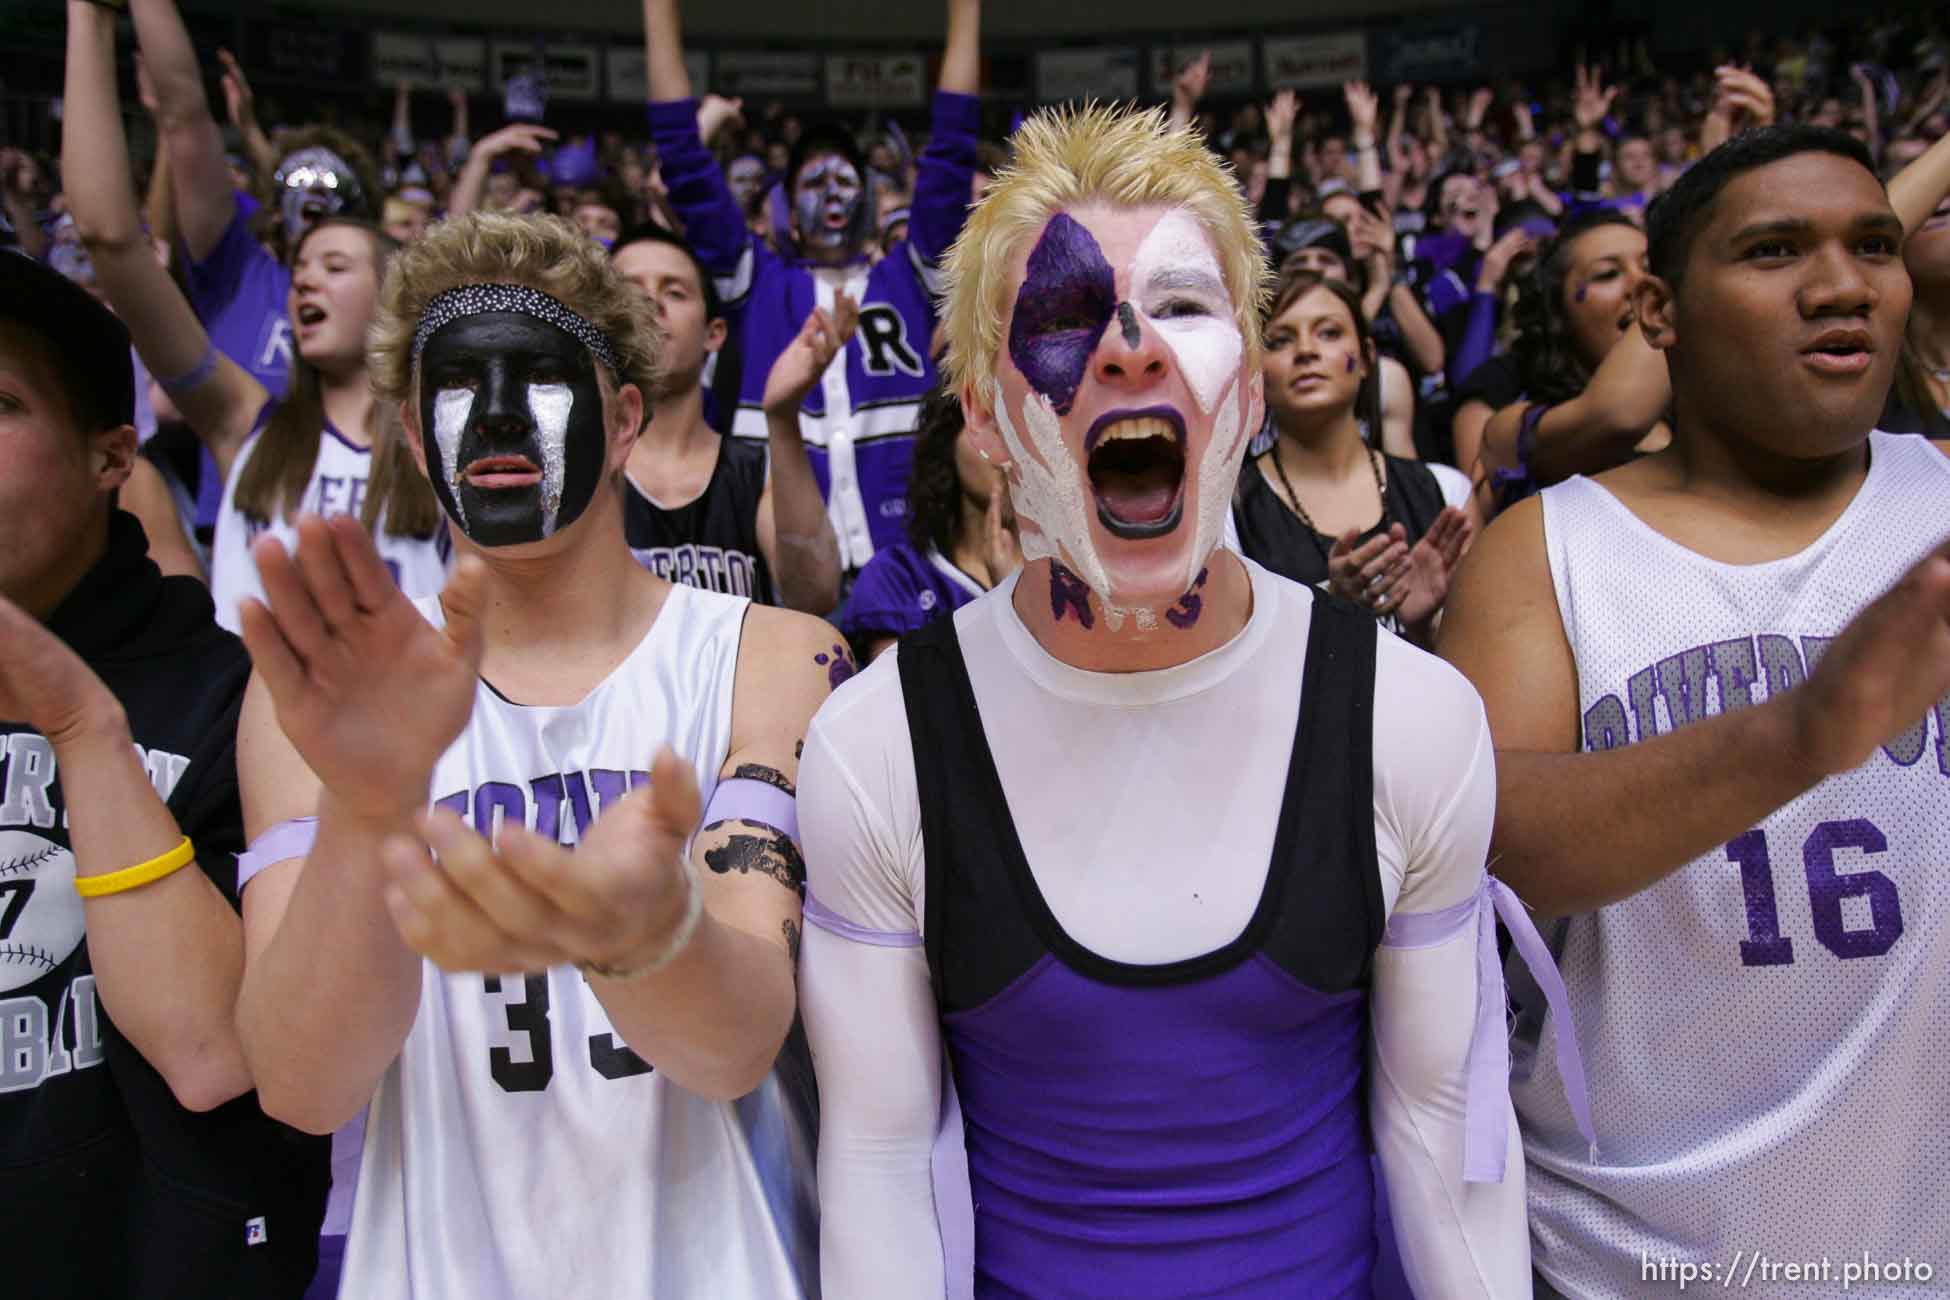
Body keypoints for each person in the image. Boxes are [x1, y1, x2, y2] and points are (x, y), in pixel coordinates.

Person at [801, 103, 1575, 1299]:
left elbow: (1443, 1141)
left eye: (1181, 305)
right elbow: (878, 1162)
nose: (1126, 347)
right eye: (1060, 317)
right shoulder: (875, 745)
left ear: (1251, 395)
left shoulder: (1409, 719)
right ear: (989, 417)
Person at [232, 211, 840, 1297]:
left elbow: (735, 1047)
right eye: (463, 389)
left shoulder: (774, 655)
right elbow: (302, 1086)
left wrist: (643, 936)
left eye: (542, 382)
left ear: (625, 419)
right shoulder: (320, 696)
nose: (502, 416)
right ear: (415, 436)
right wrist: (371, 808)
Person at [1436, 125, 1950, 1299]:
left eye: (1875, 243)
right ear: (1658, 313)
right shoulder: (1549, 546)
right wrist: (1793, 734)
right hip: (1632, 1263)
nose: (1839, 283)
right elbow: (1486, 844)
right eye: (1775, 250)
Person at [0, 240, 326, 1299]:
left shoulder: (243, 698)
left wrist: (78, 722)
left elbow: (215, 1052)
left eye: (1, 406)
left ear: (111, 458)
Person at [60, 9, 446, 634]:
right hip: (255, 729)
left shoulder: (443, 447)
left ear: (393, 299)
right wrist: (90, 21)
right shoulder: (246, 425)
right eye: (299, 267)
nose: (304, 277)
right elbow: (110, 238)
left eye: (335, 265)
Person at [645, 0, 983, 573]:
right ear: (786, 213)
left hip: (913, 574)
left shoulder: (911, 275)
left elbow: (952, 149)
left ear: (873, 201)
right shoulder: (755, 283)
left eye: (845, 179)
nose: (831, 194)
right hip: (782, 571)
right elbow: (683, 160)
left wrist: (967, 12)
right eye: (813, 181)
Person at [612, 223, 842, 611]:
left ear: (714, 333)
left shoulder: (756, 470)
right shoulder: (580, 468)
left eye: (675, 291)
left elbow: (815, 595)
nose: (652, 303)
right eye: (631, 292)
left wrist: (783, 419)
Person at [1234, 273, 1471, 648]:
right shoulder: (1228, 512)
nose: (1306, 350)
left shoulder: (1446, 490)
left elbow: (1481, 661)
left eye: (1328, 333)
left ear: (1366, 358)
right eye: (1279, 340)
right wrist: (1330, 610)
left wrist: (1422, 624)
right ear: (1256, 372)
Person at [1466, 211, 1671, 524]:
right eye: (1607, 274)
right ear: (1558, 316)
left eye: (1649, 268)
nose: (1640, 284)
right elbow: (1617, 415)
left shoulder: (1701, 411)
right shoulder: (1508, 429)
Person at [839, 388, 1021, 660]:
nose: (1006, 449)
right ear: (947, 440)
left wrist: (1021, 600)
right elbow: (907, 698)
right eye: (990, 423)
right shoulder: (897, 577)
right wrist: (1005, 608)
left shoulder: (1074, 572)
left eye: (1020, 426)